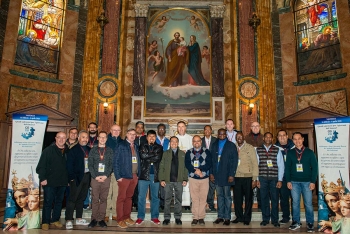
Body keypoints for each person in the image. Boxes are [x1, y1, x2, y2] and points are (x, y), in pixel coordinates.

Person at [36, 131, 68, 231]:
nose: (61, 139)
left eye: (63, 137)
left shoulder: (68, 151)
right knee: (48, 202)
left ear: (66, 139)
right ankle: (45, 221)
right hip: (49, 181)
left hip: (62, 182)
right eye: (59, 137)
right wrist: (43, 178)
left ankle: (55, 219)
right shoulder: (48, 150)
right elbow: (41, 166)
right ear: (55, 138)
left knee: (59, 202)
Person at [285, 132, 317, 232]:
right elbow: (287, 168)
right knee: (295, 203)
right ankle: (296, 222)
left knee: (308, 203)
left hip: (307, 182)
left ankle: (310, 222)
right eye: (295, 139)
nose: (297, 141)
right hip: (294, 182)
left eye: (299, 138)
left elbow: (315, 168)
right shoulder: (290, 153)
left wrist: (313, 181)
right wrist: (288, 181)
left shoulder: (309, 152)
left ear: (303, 139)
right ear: (292, 140)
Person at [210, 129, 238, 226]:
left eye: (223, 134)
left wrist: (232, 174)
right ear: (217, 135)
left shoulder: (231, 145)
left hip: (227, 176)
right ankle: (220, 216)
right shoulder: (214, 145)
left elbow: (234, 161)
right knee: (219, 197)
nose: (221, 135)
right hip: (217, 176)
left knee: (227, 197)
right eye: (220, 134)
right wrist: (211, 173)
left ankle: (227, 217)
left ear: (226, 134)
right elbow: (211, 160)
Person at [256, 132, 284, 228]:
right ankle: (265, 219)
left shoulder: (277, 150)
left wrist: (280, 180)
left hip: (274, 179)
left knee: (275, 199)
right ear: (263, 138)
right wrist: (257, 179)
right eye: (266, 137)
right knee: (264, 199)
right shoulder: (258, 150)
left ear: (272, 139)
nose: (268, 138)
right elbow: (256, 165)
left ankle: (275, 220)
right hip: (262, 178)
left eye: (270, 137)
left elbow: (281, 165)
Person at [135, 130, 163, 225]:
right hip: (143, 175)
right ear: (146, 137)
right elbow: (142, 156)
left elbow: (157, 158)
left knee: (155, 197)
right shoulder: (142, 146)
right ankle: (140, 217)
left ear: (156, 138)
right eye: (150, 136)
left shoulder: (159, 147)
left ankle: (154, 217)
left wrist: (148, 155)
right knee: (141, 197)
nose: (152, 138)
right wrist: (153, 154)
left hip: (155, 175)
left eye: (153, 136)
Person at [114, 129, 140, 229]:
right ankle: (120, 219)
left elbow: (138, 161)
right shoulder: (121, 145)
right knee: (121, 198)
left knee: (129, 198)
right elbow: (115, 162)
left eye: (134, 134)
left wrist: (137, 174)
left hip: (134, 176)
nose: (132, 136)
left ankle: (126, 217)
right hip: (124, 176)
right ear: (126, 135)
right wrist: (118, 176)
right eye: (130, 134)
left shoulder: (136, 146)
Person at [159, 136, 188, 225]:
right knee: (167, 200)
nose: (174, 143)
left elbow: (185, 168)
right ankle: (167, 218)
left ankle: (178, 217)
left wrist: (185, 179)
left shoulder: (182, 154)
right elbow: (162, 167)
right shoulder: (165, 153)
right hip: (168, 180)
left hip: (179, 180)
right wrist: (162, 179)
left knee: (178, 200)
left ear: (178, 143)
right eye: (172, 141)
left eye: (175, 142)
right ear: (169, 143)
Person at [65, 130, 91, 229]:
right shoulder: (73, 150)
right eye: (83, 137)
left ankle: (79, 218)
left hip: (87, 176)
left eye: (86, 137)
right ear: (78, 138)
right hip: (76, 178)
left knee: (81, 198)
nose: (85, 139)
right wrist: (71, 178)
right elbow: (69, 166)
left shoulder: (89, 149)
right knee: (72, 199)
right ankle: (68, 219)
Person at [87, 131, 113, 228]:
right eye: (100, 137)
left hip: (106, 178)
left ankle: (101, 219)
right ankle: (93, 219)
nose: (102, 139)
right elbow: (90, 164)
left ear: (106, 139)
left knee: (103, 199)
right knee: (94, 199)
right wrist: (95, 176)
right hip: (95, 178)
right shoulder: (93, 150)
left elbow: (111, 164)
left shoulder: (110, 150)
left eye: (104, 137)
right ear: (98, 138)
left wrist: (106, 175)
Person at [185, 135, 212, 226]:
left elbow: (209, 163)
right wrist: (195, 171)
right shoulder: (188, 152)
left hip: (204, 178)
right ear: (193, 143)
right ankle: (195, 217)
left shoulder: (207, 151)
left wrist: (200, 170)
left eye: (198, 141)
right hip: (193, 178)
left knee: (203, 198)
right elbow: (187, 164)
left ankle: (201, 217)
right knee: (195, 198)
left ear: (201, 142)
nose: (196, 143)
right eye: (194, 141)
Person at [232, 131, 259, 225]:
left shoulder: (250, 148)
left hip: (248, 176)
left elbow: (255, 163)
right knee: (237, 199)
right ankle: (239, 217)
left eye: (240, 136)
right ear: (235, 138)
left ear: (243, 137)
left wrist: (254, 179)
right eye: (237, 136)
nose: (239, 138)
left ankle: (247, 218)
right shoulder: (233, 147)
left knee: (248, 199)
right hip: (236, 177)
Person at [275, 129, 295, 224]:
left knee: (295, 198)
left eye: (284, 135)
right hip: (282, 177)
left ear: (287, 136)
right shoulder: (275, 148)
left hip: (293, 177)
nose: (282, 137)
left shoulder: (294, 147)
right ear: (277, 137)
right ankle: (286, 217)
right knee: (284, 198)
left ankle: (295, 217)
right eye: (280, 135)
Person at [105, 124, 122, 222]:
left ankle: (115, 213)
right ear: (110, 130)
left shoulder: (122, 142)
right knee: (107, 193)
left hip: (118, 172)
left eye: (118, 130)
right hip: (107, 171)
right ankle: (106, 213)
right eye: (114, 130)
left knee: (116, 193)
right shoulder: (106, 140)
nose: (116, 132)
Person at [176, 121, 193, 210]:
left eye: (183, 126)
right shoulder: (174, 139)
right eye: (179, 126)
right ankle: (179, 203)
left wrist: (187, 153)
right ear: (177, 128)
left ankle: (187, 203)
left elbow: (194, 152)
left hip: (188, 166)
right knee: (179, 184)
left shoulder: (190, 138)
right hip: (178, 166)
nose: (181, 128)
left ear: (185, 128)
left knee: (187, 185)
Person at [201, 125, 217, 212]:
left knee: (212, 186)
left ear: (211, 131)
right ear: (204, 131)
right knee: (202, 186)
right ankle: (202, 204)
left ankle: (211, 204)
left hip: (213, 166)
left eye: (208, 129)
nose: (207, 131)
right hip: (203, 166)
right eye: (205, 129)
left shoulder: (216, 140)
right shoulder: (200, 140)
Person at [132, 121, 146, 210]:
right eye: (138, 127)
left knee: (141, 185)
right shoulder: (132, 137)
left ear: (143, 129)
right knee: (133, 185)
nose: (140, 129)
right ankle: (132, 202)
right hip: (133, 165)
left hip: (144, 165)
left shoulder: (146, 138)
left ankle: (138, 204)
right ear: (136, 127)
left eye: (141, 127)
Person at [156, 123, 170, 210]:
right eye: (160, 129)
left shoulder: (168, 141)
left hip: (165, 166)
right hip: (155, 165)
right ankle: (156, 203)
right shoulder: (154, 140)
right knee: (155, 185)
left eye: (163, 129)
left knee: (163, 184)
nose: (161, 130)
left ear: (165, 131)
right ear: (157, 130)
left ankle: (163, 203)